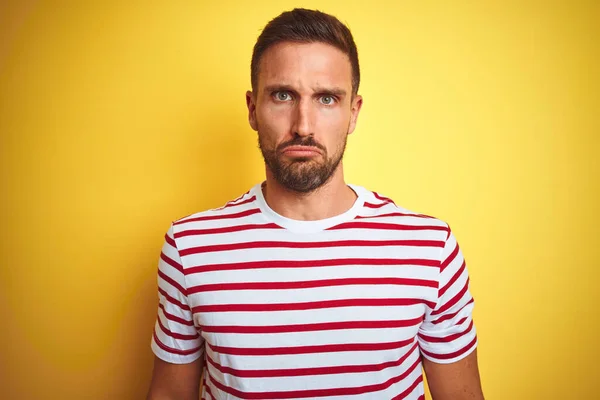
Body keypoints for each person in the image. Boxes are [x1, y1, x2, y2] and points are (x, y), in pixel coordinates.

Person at [146, 8, 483, 400]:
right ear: (253, 108)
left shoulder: (429, 249)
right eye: (283, 95)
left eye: (326, 98)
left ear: (352, 113)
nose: (303, 125)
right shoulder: (190, 247)